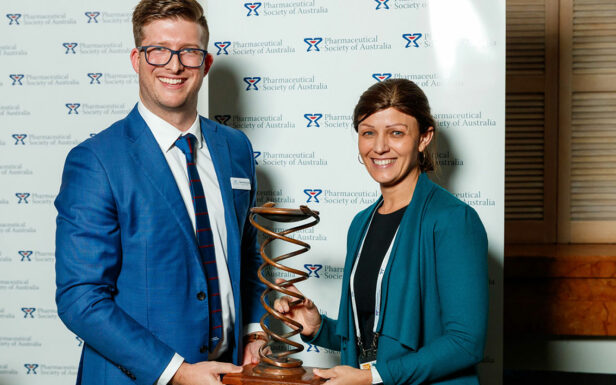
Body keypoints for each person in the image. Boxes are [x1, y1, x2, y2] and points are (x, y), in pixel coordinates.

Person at [54, 1, 266, 384]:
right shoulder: (96, 161)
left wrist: (253, 330)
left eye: (189, 51)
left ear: (206, 63)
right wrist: (177, 373)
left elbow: (248, 253)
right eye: (159, 51)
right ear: (137, 59)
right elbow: (81, 299)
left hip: (230, 374)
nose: (174, 65)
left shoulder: (236, 149)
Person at [274, 78, 488, 385]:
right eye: (368, 133)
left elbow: (466, 343)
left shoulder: (453, 220)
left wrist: (375, 376)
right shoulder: (361, 222)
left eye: (396, 133)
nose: (379, 147)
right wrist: (319, 327)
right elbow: (374, 339)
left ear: (424, 138)